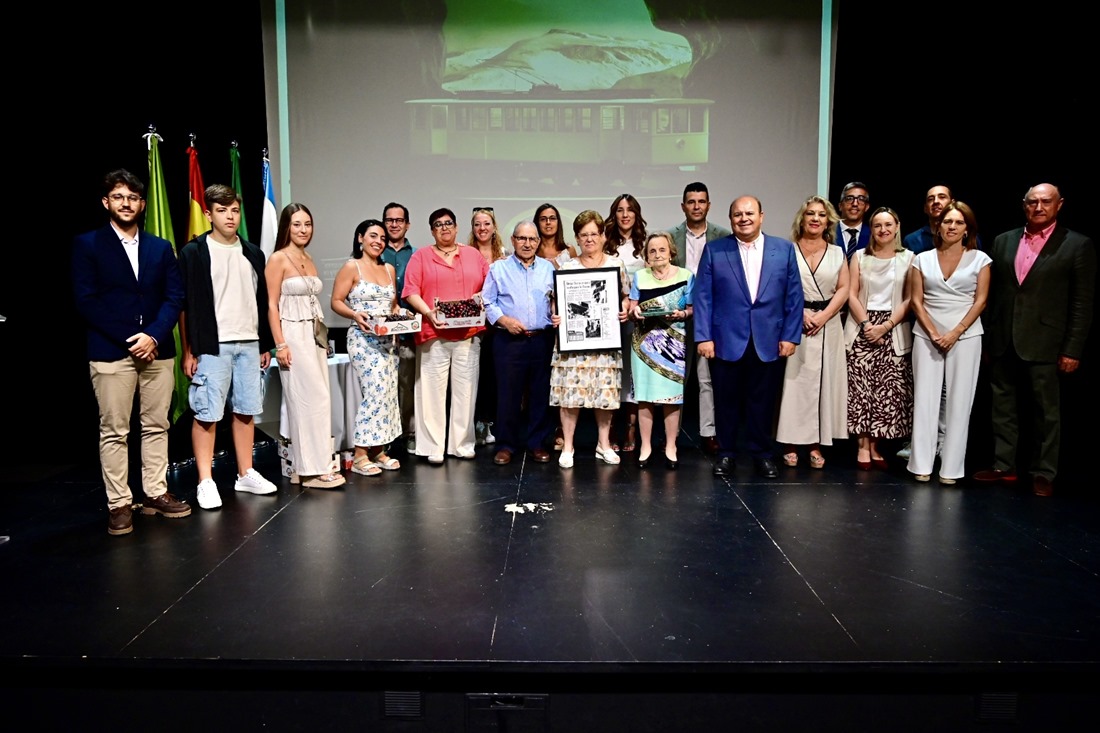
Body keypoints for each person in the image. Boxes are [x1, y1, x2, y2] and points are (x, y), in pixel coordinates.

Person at [72, 169, 190, 535]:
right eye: (119, 197)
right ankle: (119, 503)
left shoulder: (159, 247)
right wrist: (132, 338)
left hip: (158, 351)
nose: (127, 203)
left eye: (134, 198)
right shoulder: (88, 244)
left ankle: (155, 492)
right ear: (106, 202)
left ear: (142, 204)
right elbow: (87, 301)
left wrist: (153, 336)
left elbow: (175, 297)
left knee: (157, 425)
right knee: (115, 430)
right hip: (111, 352)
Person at [975, 183, 1096, 497]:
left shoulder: (1076, 245)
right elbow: (994, 294)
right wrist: (989, 338)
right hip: (1003, 338)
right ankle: (1004, 465)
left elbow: (1082, 303)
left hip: (1046, 341)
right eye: (1033, 202)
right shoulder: (1003, 241)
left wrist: (1072, 349)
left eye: (1046, 202)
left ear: (1059, 205)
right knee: (1002, 406)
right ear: (1024, 205)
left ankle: (1043, 472)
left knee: (1045, 411)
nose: (1039, 207)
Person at [179, 184, 279, 510]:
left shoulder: (252, 252)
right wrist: (189, 350)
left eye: (234, 210)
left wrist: (264, 342)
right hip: (212, 345)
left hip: (249, 343)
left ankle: (245, 472)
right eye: (222, 211)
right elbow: (186, 304)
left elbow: (261, 300)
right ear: (208, 214)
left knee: (246, 410)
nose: (230, 216)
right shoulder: (194, 252)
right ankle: (205, 480)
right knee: (207, 413)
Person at [694, 195, 802, 479]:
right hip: (725, 340)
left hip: (769, 340)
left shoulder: (784, 249)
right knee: (726, 401)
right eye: (737, 214)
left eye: (749, 213)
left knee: (763, 402)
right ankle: (726, 453)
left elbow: (794, 297)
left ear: (761, 216)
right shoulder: (715, 250)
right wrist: (703, 337)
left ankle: (762, 454)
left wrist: (791, 336)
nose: (744, 218)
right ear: (730, 219)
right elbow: (703, 297)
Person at [907, 201, 991, 484]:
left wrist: (956, 332)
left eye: (958, 222)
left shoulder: (981, 260)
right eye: (947, 222)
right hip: (927, 335)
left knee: (959, 402)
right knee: (925, 400)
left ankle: (951, 469)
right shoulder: (921, 259)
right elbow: (916, 301)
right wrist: (932, 332)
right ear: (938, 227)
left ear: (967, 229)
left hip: (965, 335)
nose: (951, 227)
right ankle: (921, 464)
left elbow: (981, 301)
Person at [264, 204, 345, 489]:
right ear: (287, 226)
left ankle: (309, 466)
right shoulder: (278, 259)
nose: (303, 229)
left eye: (307, 224)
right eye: (297, 224)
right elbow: (271, 305)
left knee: (319, 400)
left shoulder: (308, 257)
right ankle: (312, 471)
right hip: (293, 336)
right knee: (309, 400)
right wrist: (281, 344)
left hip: (314, 336)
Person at [402, 207, 489, 464]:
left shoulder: (473, 255)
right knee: (431, 393)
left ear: (456, 226)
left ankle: (462, 444)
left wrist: (482, 298)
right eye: (438, 224)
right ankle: (432, 447)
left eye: (448, 223)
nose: (444, 228)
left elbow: (490, 284)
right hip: (433, 332)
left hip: (468, 333)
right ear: (432, 230)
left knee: (466, 392)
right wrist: (428, 312)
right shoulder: (420, 257)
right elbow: (410, 291)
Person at [550, 210, 630, 468]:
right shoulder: (568, 267)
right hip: (573, 345)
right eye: (583, 235)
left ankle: (603, 444)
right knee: (569, 395)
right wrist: (556, 315)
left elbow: (626, 296)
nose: (589, 239)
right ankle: (569, 446)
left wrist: (625, 308)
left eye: (593, 233)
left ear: (603, 236)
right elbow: (555, 301)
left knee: (604, 394)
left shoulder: (615, 265)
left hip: (605, 342)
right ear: (577, 238)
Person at [776, 196, 850, 468]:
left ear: (828, 221)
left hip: (827, 325)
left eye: (821, 214)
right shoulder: (787, 250)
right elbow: (779, 288)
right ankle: (790, 442)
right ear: (802, 218)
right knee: (795, 386)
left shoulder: (837, 253)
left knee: (822, 386)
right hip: (796, 323)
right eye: (810, 214)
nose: (816, 219)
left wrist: (825, 315)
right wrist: (800, 314)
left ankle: (816, 444)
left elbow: (844, 289)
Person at [331, 219, 402, 476]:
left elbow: (392, 306)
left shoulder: (388, 270)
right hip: (363, 340)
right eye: (373, 236)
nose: (378, 241)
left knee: (388, 394)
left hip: (388, 341)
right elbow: (336, 301)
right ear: (360, 237)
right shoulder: (353, 266)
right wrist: (354, 314)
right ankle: (360, 453)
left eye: (383, 238)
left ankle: (379, 450)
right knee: (375, 393)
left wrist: (402, 316)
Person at [481, 221, 556, 465]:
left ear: (538, 242)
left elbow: (557, 300)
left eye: (532, 239)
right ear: (513, 240)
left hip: (541, 339)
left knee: (539, 394)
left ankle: (536, 443)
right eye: (522, 238)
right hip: (508, 340)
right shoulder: (498, 269)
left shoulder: (549, 268)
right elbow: (488, 302)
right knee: (508, 395)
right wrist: (504, 320)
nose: (527, 243)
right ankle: (506, 445)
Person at [844, 207, 914, 469]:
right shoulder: (860, 257)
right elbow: (851, 293)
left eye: (888, 225)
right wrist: (867, 324)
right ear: (871, 229)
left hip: (892, 329)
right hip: (862, 327)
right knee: (860, 391)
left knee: (886, 393)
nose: (883, 230)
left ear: (896, 226)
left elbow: (910, 298)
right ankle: (862, 445)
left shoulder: (910, 258)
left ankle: (876, 444)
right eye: (877, 225)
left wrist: (885, 326)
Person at [669, 182, 731, 456]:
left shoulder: (724, 236)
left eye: (701, 201)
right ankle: (671, 436)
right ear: (683, 206)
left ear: (708, 205)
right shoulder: (669, 237)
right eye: (691, 202)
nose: (696, 206)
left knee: (706, 380)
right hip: (677, 317)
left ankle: (708, 433)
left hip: (710, 318)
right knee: (675, 379)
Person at [628, 232, 694, 469]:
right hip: (643, 343)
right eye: (652, 250)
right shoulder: (639, 276)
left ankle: (671, 446)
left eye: (662, 250)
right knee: (644, 397)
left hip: (673, 344)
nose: (657, 254)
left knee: (672, 398)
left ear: (671, 252)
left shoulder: (686, 276)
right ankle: (645, 446)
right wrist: (634, 312)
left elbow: (691, 309)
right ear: (647, 254)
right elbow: (633, 308)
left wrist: (681, 314)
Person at [605, 193, 648, 452]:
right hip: (610, 319)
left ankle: (631, 430)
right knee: (613, 372)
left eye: (630, 209)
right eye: (620, 209)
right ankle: (609, 429)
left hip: (637, 320)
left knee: (633, 375)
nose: (625, 214)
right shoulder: (604, 243)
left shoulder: (646, 244)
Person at [468, 207, 507, 447]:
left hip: (497, 325)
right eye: (477, 224)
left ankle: (490, 422)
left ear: (494, 228)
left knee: (493, 376)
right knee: (475, 376)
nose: (482, 228)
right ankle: (476, 423)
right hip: (473, 324)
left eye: (486, 224)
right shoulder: (465, 254)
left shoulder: (503, 255)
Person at [380, 202, 417, 453]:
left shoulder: (417, 255)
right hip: (378, 334)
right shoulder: (374, 252)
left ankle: (407, 433)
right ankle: (384, 436)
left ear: (407, 224)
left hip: (409, 332)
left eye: (399, 220)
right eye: (389, 220)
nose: (394, 224)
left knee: (407, 385)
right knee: (384, 386)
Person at [903, 185, 953, 255]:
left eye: (942, 197)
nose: (936, 201)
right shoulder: (911, 240)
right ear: (925, 208)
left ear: (952, 203)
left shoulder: (964, 235)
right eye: (930, 199)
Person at [534, 202, 577, 269]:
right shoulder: (532, 250)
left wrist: (558, 268)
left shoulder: (569, 251)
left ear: (558, 222)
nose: (548, 222)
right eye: (543, 219)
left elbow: (574, 277)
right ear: (537, 223)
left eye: (552, 218)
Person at [836, 182, 872, 259]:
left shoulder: (873, 235)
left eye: (861, 199)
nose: (855, 204)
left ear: (867, 207)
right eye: (849, 198)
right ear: (840, 206)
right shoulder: (827, 233)